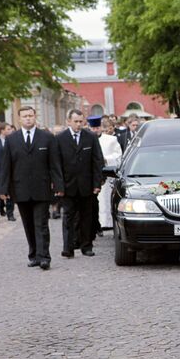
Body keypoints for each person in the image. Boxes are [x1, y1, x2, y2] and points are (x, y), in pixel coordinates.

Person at [0, 106, 63, 270]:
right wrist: (3, 189)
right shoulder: (11, 139)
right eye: (24, 116)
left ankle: (44, 257)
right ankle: (34, 255)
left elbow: (55, 164)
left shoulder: (47, 138)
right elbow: (6, 166)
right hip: (20, 188)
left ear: (35, 117)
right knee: (28, 224)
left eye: (30, 115)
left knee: (41, 223)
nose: (28, 118)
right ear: (19, 119)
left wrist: (58, 185)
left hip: (41, 188)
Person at [56, 109, 103, 258]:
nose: (78, 124)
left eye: (81, 121)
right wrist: (58, 185)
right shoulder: (60, 139)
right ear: (68, 121)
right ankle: (68, 247)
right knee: (68, 217)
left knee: (86, 217)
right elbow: (56, 164)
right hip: (67, 185)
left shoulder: (90, 137)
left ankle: (86, 246)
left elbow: (97, 161)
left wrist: (97, 184)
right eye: (75, 121)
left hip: (86, 185)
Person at [89, 116, 122, 233]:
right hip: (91, 176)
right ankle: (96, 225)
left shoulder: (110, 140)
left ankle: (107, 222)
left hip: (107, 174)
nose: (95, 130)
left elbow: (118, 155)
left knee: (106, 199)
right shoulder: (86, 139)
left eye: (97, 128)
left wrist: (106, 159)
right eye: (93, 128)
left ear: (101, 128)